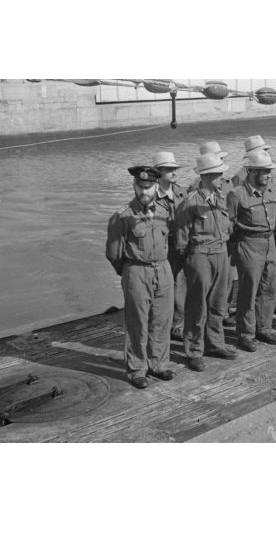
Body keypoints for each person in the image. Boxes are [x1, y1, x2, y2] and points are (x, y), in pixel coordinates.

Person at [106, 166, 174, 389]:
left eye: (149, 187)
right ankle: (137, 369)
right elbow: (113, 254)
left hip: (163, 269)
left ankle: (159, 364)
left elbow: (169, 242)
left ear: (156, 187)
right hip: (137, 270)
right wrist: (129, 271)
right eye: (140, 187)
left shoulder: (165, 212)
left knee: (162, 319)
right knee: (137, 322)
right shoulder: (122, 216)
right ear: (134, 186)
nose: (144, 191)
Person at [174, 152, 238, 371]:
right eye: (218, 175)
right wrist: (192, 261)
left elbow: (227, 225)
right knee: (197, 305)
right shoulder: (190, 203)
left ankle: (215, 343)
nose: (222, 179)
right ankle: (193, 350)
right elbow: (182, 239)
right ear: (207, 176)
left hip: (220, 252)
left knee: (219, 303)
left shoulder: (220, 198)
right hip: (200, 255)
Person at [228, 150, 276, 352]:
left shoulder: (270, 192)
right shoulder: (237, 195)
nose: (268, 175)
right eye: (264, 171)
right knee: (248, 290)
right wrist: (238, 250)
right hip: (249, 244)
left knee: (268, 287)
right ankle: (246, 333)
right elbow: (230, 225)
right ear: (252, 172)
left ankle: (264, 327)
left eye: (269, 171)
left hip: (269, 244)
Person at [190, 141, 237, 326]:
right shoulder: (194, 192)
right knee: (201, 298)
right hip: (202, 251)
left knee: (224, 286)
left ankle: (222, 314)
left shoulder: (225, 185)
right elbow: (183, 234)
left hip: (223, 244)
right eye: (219, 159)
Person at [153, 151, 188, 341]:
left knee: (180, 283)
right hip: (162, 246)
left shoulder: (180, 191)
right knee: (162, 287)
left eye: (174, 169)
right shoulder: (151, 195)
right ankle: (163, 324)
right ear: (158, 172)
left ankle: (178, 324)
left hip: (179, 244)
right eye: (169, 170)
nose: (174, 173)